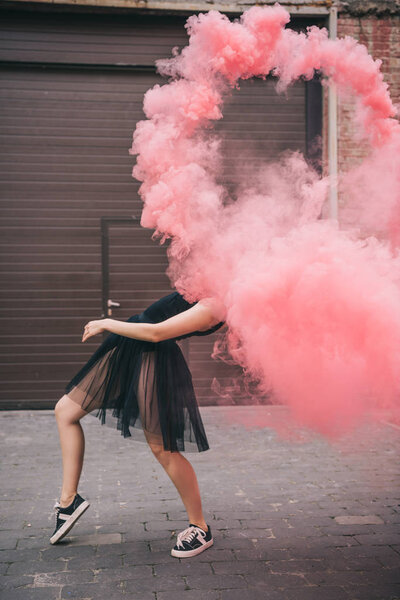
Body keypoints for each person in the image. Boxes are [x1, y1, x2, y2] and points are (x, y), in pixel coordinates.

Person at [51, 290, 227, 558]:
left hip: (153, 357)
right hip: (129, 345)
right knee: (65, 411)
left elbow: (156, 333)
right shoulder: (201, 284)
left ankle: (200, 528)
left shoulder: (215, 306)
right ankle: (68, 501)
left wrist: (106, 323)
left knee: (162, 448)